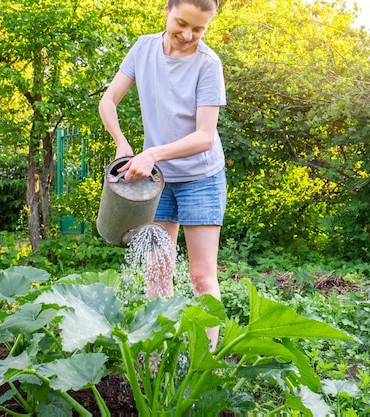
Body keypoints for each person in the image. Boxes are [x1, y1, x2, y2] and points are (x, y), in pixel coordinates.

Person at [98, 0, 225, 349]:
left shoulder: (208, 64)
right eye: (182, 23)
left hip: (201, 177)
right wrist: (123, 144)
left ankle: (206, 362)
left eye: (198, 29)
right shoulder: (144, 48)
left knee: (201, 277)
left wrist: (151, 152)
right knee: (157, 272)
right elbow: (108, 101)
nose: (187, 35)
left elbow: (204, 136)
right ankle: (158, 358)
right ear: (166, 9)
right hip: (157, 182)